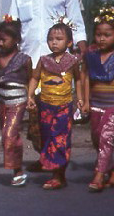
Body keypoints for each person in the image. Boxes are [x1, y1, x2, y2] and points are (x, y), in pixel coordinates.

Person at [26, 22, 83, 190]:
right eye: (51, 39)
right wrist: (30, 95)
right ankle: (54, 171)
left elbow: (78, 80)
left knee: (60, 139)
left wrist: (80, 99)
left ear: (69, 42)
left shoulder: (72, 61)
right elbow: (35, 78)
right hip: (45, 106)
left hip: (64, 106)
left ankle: (58, 175)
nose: (54, 42)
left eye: (59, 39)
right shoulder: (44, 61)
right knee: (47, 137)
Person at [0, 18, 32, 186]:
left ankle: (18, 171)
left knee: (9, 135)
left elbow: (32, 79)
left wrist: (30, 97)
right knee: (7, 136)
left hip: (18, 102)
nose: (1, 43)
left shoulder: (24, 59)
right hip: (3, 102)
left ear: (16, 40)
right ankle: (17, 169)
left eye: (4, 40)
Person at [81, 8, 114, 192]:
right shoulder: (91, 56)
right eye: (99, 34)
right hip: (96, 105)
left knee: (106, 138)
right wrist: (85, 101)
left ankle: (99, 175)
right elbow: (85, 77)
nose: (102, 38)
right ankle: (111, 169)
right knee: (97, 138)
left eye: (107, 35)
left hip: (112, 106)